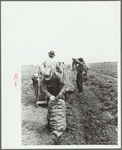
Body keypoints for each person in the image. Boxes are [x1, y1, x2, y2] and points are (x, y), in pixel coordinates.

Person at [41, 65, 67, 140]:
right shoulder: (44, 79)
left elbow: (65, 85)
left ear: (52, 73)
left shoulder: (59, 76)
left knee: (61, 111)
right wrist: (49, 96)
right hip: (51, 96)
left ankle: (61, 127)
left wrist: (60, 94)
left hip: (60, 94)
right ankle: (51, 126)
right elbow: (42, 89)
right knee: (50, 111)